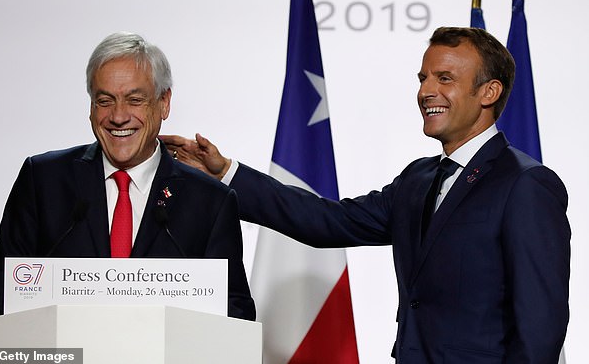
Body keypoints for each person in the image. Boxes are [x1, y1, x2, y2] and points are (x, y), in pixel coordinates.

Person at [163, 27, 570, 363]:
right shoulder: (419, 179)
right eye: (423, 78)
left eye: (444, 78)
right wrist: (227, 173)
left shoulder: (526, 185)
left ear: (489, 92)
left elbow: (539, 328)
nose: (426, 91)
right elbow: (327, 221)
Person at [0, 32, 255, 321]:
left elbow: (234, 311)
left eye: (135, 100)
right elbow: (0, 284)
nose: (119, 116)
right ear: (91, 107)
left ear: (164, 103)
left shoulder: (210, 201)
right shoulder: (44, 180)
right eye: (105, 101)